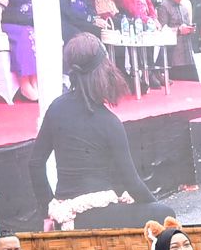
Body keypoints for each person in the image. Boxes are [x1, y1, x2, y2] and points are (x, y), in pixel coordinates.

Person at [29, 34, 175, 230]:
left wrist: (48, 211)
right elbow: (132, 182)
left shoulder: (56, 108)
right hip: (94, 216)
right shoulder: (108, 122)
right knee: (165, 214)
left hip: (63, 213)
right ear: (102, 70)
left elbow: (35, 163)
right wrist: (155, 206)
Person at [156, 0, 198, 82]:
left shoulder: (184, 7)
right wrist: (178, 30)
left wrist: (190, 29)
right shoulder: (163, 7)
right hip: (174, 58)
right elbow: (161, 32)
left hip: (188, 55)